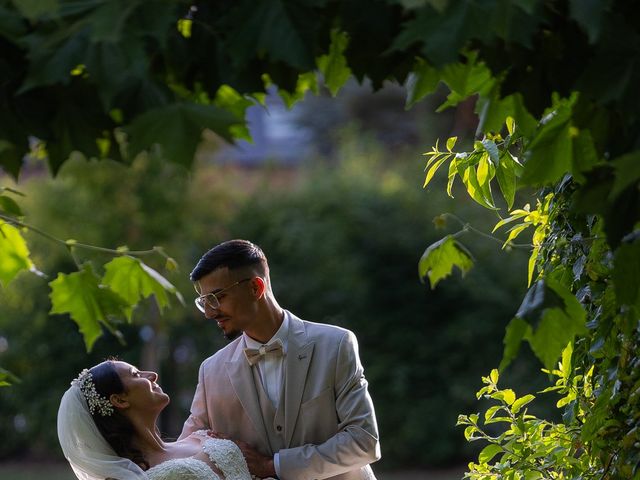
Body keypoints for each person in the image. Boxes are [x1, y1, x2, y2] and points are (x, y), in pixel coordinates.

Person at [180, 239, 381, 480]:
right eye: (205, 303)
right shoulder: (210, 371)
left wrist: (272, 466)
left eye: (217, 298)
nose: (210, 312)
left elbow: (364, 441)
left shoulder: (336, 345)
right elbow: (185, 453)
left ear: (256, 288)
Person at [57, 359, 255, 480]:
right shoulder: (138, 478)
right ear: (119, 399)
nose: (152, 375)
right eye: (136, 374)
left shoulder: (202, 436)